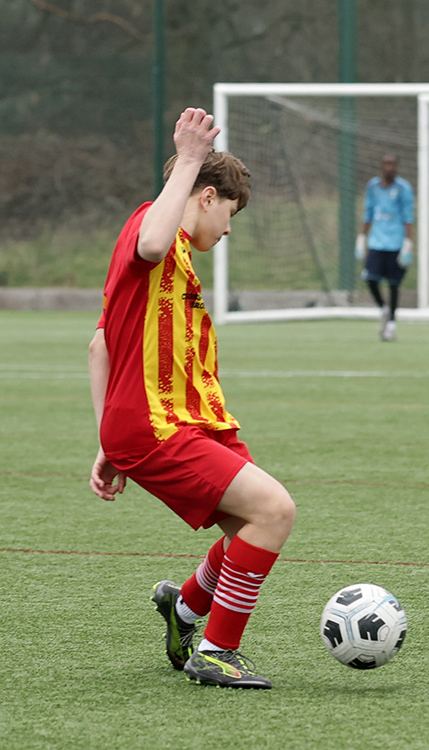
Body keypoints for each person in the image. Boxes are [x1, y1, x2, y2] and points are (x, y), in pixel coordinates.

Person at [88, 107, 296, 689]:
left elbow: (100, 345)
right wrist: (187, 158)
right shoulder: (150, 230)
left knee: (250, 524)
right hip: (157, 425)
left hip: (180, 421)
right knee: (274, 511)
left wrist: (107, 437)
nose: (228, 230)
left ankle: (183, 609)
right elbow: (153, 241)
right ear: (206, 197)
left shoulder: (174, 257)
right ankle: (216, 652)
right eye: (230, 213)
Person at [356, 153, 414, 341]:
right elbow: (368, 213)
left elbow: (408, 216)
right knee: (370, 279)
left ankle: (391, 325)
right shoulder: (373, 187)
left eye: (392, 164)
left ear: (397, 166)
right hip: (377, 243)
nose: (389, 167)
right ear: (381, 166)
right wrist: (361, 237)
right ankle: (384, 308)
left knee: (394, 285)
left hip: (395, 243)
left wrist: (408, 243)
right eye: (386, 163)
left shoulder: (403, 188)